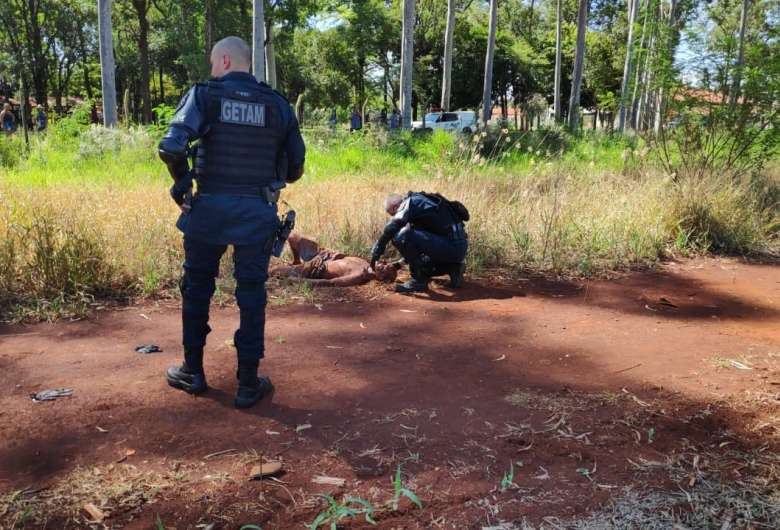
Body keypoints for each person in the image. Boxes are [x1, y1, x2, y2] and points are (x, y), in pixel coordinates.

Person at [158, 36, 305, 409]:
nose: (211, 69)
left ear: (223, 60)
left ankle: (193, 371)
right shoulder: (277, 105)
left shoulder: (204, 96)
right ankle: (248, 383)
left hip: (206, 210)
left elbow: (171, 146)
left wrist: (182, 184)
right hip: (257, 212)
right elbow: (297, 165)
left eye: (212, 63)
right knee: (252, 294)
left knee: (196, 288)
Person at [370, 192, 469, 293]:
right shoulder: (421, 202)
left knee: (400, 236)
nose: (393, 216)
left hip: (448, 246)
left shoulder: (410, 202)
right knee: (423, 266)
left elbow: (393, 227)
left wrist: (378, 249)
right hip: (457, 248)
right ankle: (454, 269)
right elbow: (418, 248)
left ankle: (418, 281)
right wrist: (397, 265)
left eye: (393, 214)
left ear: (396, 207)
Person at [270, 232, 399, 287]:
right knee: (292, 236)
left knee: (274, 271)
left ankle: (295, 267)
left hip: (315, 268)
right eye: (385, 262)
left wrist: (298, 280)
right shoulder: (367, 263)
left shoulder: (359, 276)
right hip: (326, 255)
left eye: (384, 267)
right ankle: (296, 260)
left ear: (381, 277)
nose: (382, 262)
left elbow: (329, 283)